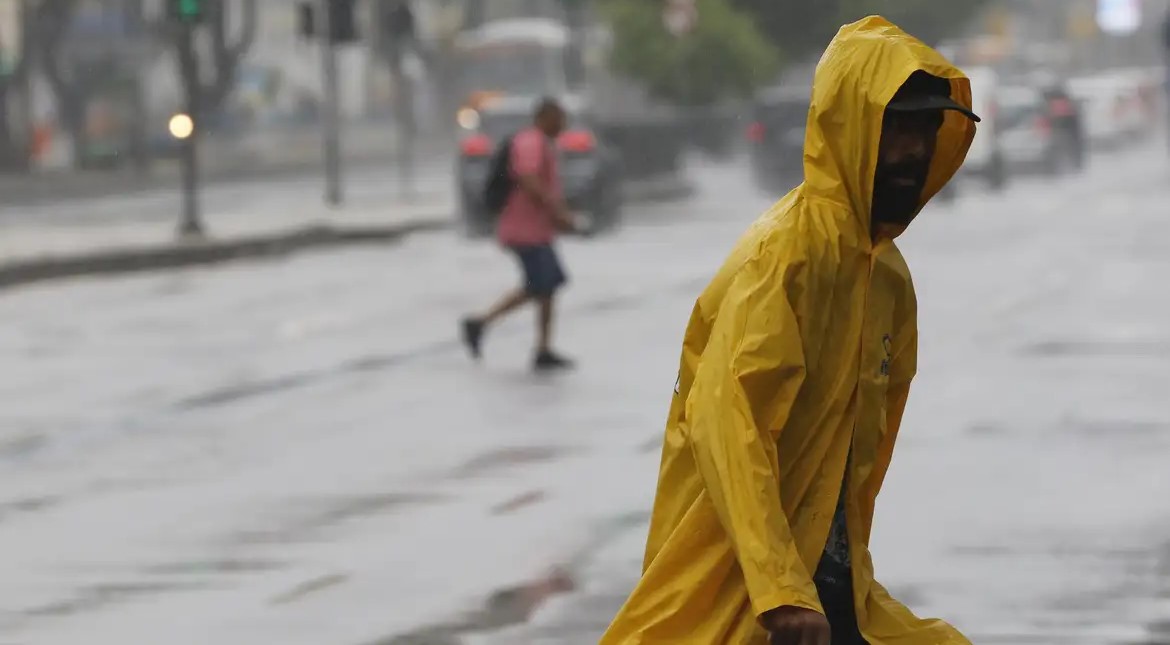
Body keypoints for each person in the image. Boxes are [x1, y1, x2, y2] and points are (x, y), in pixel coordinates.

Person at [601, 16, 979, 645]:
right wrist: (780, 589)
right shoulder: (787, 256)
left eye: (924, 129)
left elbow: (854, 462)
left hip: (827, 588)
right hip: (741, 590)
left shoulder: (886, 278)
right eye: (895, 128)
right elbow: (729, 420)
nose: (913, 150)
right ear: (850, 127)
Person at [461, 98, 576, 371]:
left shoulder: (540, 142)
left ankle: (543, 348)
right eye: (559, 119)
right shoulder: (530, 142)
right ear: (545, 117)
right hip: (524, 230)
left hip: (536, 230)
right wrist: (557, 210)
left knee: (547, 285)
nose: (563, 126)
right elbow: (528, 178)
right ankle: (480, 323)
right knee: (540, 284)